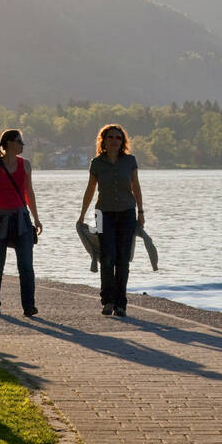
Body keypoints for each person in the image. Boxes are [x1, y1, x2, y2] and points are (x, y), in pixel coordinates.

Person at [78, 123, 144, 317]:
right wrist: (82, 214)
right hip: (102, 214)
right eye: (110, 137)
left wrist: (141, 212)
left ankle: (121, 304)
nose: (114, 140)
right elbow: (90, 190)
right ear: (103, 141)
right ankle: (107, 301)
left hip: (126, 213)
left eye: (118, 137)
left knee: (123, 259)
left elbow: (136, 187)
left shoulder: (130, 161)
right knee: (107, 257)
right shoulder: (97, 163)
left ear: (122, 141)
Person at [0, 129, 43, 316]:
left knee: (26, 266)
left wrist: (36, 218)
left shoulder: (25, 165)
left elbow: (29, 193)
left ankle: (29, 307)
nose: (22, 145)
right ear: (9, 143)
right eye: (19, 141)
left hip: (21, 220)